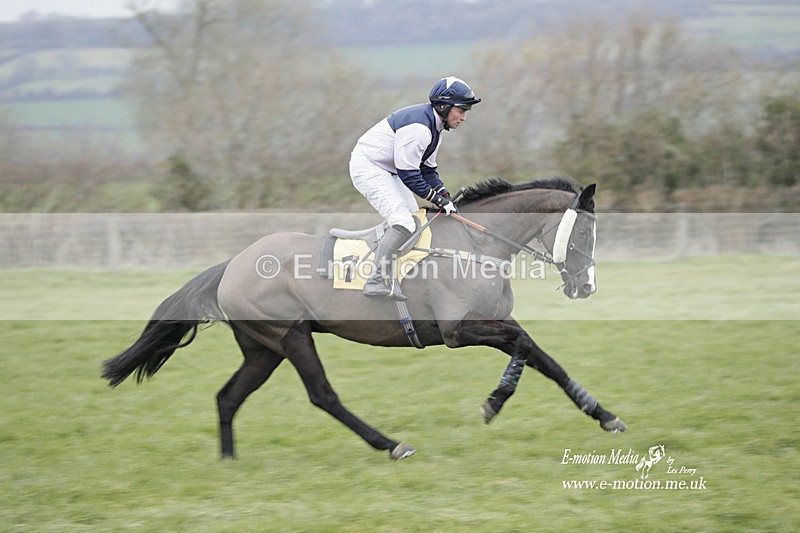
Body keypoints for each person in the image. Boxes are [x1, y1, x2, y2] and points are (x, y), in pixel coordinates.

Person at [349, 76, 481, 300]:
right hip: (369, 167)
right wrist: (437, 200)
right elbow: (409, 175)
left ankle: (399, 273)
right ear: (444, 106)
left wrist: (444, 195)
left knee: (415, 222)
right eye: (461, 110)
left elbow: (428, 171)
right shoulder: (420, 129)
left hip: (388, 170)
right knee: (403, 222)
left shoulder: (436, 128)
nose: (464, 117)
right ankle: (375, 280)